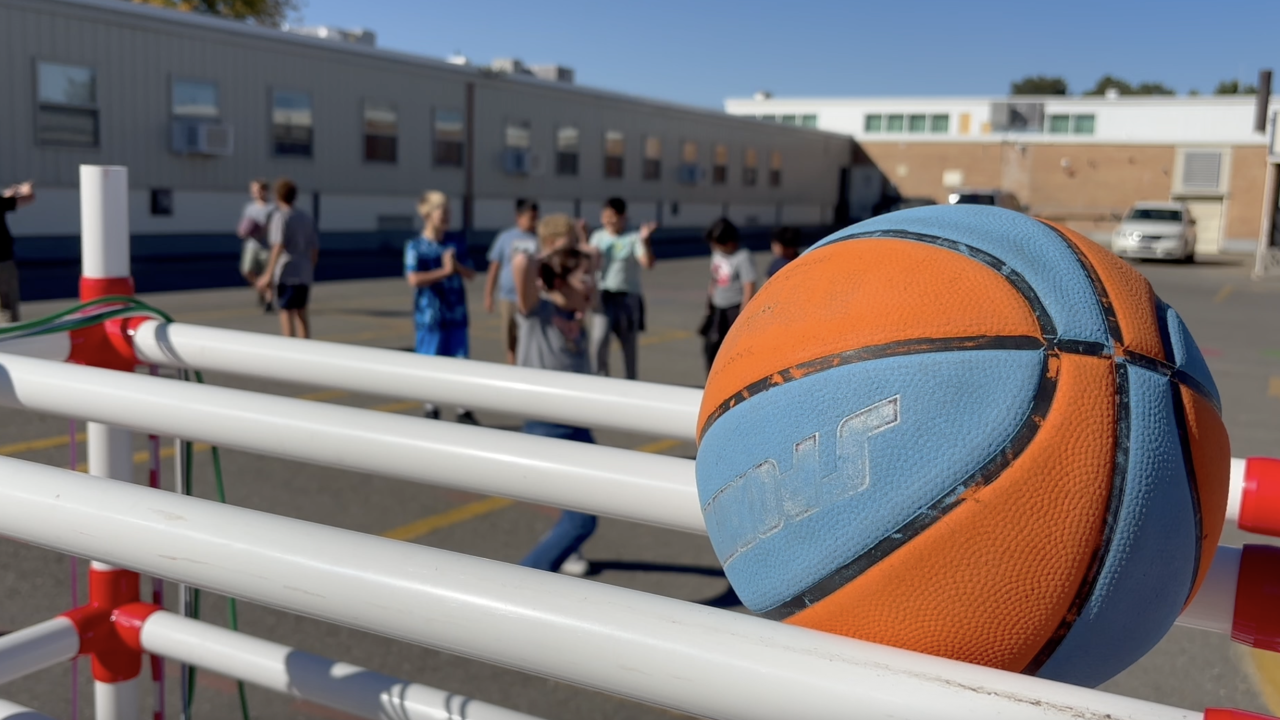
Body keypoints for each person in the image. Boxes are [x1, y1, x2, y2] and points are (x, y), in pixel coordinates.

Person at [512, 213, 597, 576]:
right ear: (560, 278)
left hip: (576, 425)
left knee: (587, 510)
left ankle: (559, 553)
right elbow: (520, 263)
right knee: (582, 520)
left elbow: (593, 256)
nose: (592, 284)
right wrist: (551, 262)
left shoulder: (575, 313)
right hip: (549, 428)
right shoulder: (537, 313)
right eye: (583, 278)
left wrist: (577, 248)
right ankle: (527, 578)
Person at [405, 191, 480, 424]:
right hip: (430, 316)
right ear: (428, 214)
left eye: (448, 210)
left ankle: (463, 409)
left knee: (460, 360)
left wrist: (456, 266)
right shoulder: (416, 246)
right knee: (430, 362)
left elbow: (471, 273)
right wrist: (444, 272)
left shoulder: (455, 243)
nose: (447, 215)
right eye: (442, 210)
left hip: (456, 313)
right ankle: (431, 407)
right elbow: (414, 279)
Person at [587, 197, 656, 379]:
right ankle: (599, 380)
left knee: (628, 345)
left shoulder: (633, 238)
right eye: (605, 216)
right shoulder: (598, 237)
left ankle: (630, 381)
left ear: (623, 217)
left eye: (612, 216)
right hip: (604, 296)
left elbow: (647, 263)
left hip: (627, 298)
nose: (608, 220)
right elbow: (589, 266)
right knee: (599, 341)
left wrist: (646, 241)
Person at [256, 178, 318, 339]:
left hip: (287, 271)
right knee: (301, 312)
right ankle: (306, 346)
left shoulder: (280, 217)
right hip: (303, 271)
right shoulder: (306, 218)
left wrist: (268, 273)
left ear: (278, 196)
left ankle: (289, 348)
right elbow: (314, 248)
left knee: (286, 312)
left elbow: (278, 246)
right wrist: (310, 268)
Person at [484, 199, 540, 364]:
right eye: (531, 217)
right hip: (508, 298)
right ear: (519, 217)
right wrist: (488, 294)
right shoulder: (505, 237)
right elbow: (494, 267)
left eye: (536, 217)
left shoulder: (540, 237)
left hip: (532, 299)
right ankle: (512, 367)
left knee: (530, 337)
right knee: (510, 339)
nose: (534, 221)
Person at [699, 218, 758, 373]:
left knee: (732, 352)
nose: (715, 247)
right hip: (718, 306)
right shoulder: (717, 253)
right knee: (711, 348)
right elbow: (714, 278)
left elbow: (749, 286)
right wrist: (709, 302)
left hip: (734, 308)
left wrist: (742, 315)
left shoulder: (743, 256)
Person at [237, 179, 276, 312]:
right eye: (253, 190)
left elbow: (275, 227)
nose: (256, 193)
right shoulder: (249, 207)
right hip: (251, 245)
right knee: (246, 270)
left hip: (266, 246)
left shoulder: (272, 208)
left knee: (267, 274)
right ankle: (261, 288)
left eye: (258, 190)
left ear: (265, 191)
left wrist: (264, 229)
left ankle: (269, 301)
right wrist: (244, 230)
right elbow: (244, 225)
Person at [0, 181, 34, 324]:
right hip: (3, 261)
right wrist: (27, 190)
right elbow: (27, 199)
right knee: (8, 305)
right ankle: (11, 339)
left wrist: (8, 197)